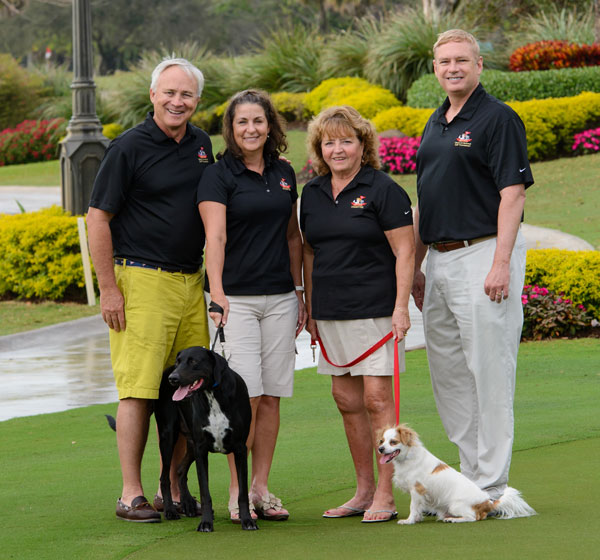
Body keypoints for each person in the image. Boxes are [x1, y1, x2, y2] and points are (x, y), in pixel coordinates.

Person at [87, 57, 213, 523]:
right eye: (169, 93)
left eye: (186, 95)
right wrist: (108, 288)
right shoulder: (128, 148)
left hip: (189, 281)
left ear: (197, 101)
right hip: (139, 280)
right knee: (139, 389)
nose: (177, 101)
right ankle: (130, 493)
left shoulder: (201, 144)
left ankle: (171, 488)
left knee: (186, 388)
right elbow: (98, 217)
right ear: (153, 95)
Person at [412, 29, 534, 504]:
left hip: (484, 254)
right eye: (444, 61)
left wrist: (501, 263)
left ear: (479, 65)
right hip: (440, 259)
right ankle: (471, 476)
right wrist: (418, 268)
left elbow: (513, 195)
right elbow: (427, 198)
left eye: (462, 60)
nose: (452, 68)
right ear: (436, 68)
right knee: (450, 375)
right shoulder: (435, 121)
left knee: (489, 369)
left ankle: (493, 486)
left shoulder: (498, 118)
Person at [301, 105, 415, 523]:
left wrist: (401, 307)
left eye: (346, 140)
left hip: (375, 312)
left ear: (363, 144)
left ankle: (387, 492)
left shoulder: (383, 189)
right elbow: (310, 253)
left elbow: (405, 251)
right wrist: (310, 308)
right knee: (345, 399)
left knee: (376, 398)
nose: (337, 149)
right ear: (319, 148)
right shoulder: (311, 194)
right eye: (328, 142)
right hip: (330, 313)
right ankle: (364, 490)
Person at [197, 89, 306, 523]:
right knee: (249, 397)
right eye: (242, 122)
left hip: (280, 296)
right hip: (235, 299)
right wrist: (217, 293)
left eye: (258, 121)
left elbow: (293, 237)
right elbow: (215, 238)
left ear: (270, 126)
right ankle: (238, 493)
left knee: (274, 395)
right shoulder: (218, 176)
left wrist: (299, 292)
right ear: (231, 128)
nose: (251, 129)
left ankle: (261, 488)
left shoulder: (284, 173)